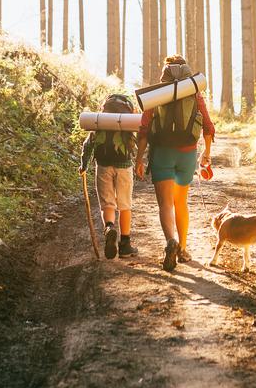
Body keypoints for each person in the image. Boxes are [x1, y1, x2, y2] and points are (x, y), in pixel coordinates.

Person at [135, 55, 214, 272]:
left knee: (165, 204)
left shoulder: (157, 95)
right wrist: (206, 153)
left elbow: (143, 129)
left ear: (165, 73)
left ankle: (171, 241)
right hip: (187, 154)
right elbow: (208, 126)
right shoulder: (194, 93)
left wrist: (139, 158)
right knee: (181, 202)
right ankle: (183, 248)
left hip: (162, 153)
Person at [80, 93, 138, 259]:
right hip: (124, 167)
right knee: (125, 205)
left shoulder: (100, 122)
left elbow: (88, 144)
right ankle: (125, 245)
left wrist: (83, 165)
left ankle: (109, 228)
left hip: (103, 166)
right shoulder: (126, 122)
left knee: (108, 204)